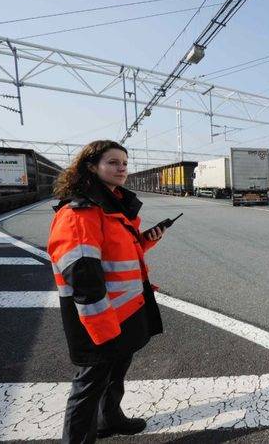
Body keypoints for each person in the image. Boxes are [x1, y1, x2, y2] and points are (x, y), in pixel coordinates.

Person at [47, 140, 164, 443]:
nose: (122, 168)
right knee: (88, 386)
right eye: (113, 162)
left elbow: (115, 255)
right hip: (101, 318)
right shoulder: (81, 212)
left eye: (124, 162)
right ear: (91, 167)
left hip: (124, 311)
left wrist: (145, 240)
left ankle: (109, 418)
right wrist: (102, 328)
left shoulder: (110, 205)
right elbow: (82, 274)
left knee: (115, 373)